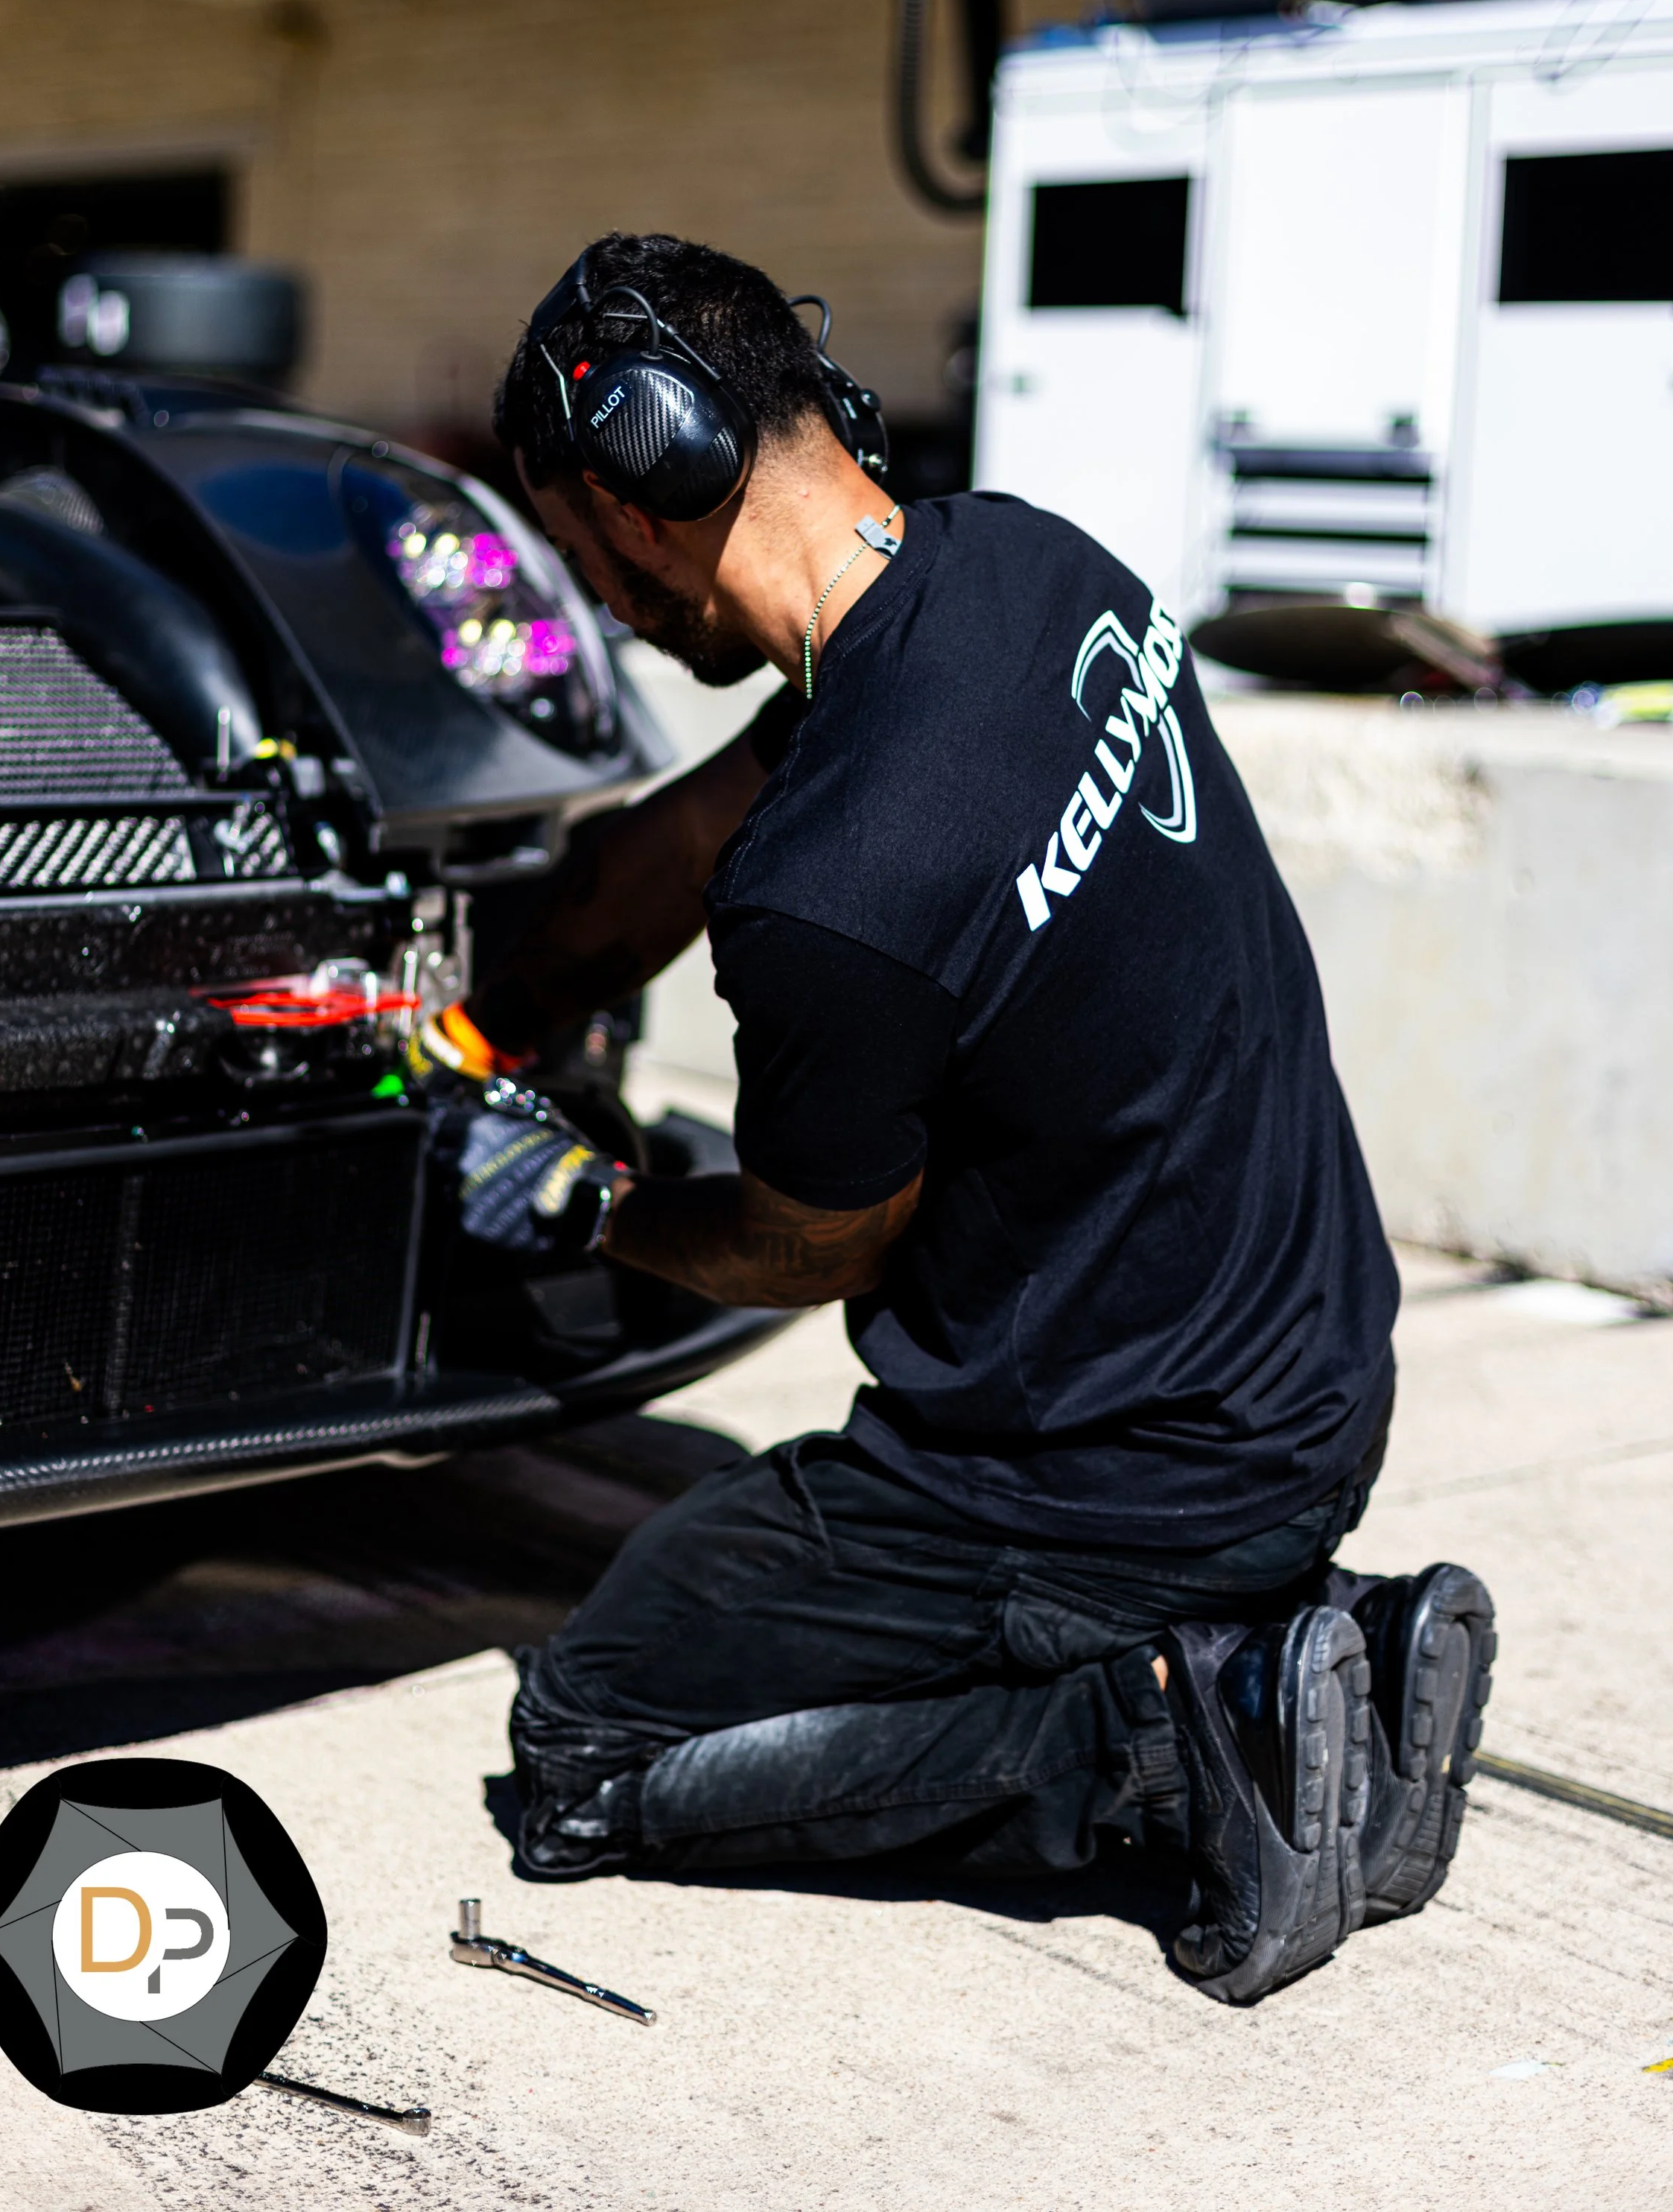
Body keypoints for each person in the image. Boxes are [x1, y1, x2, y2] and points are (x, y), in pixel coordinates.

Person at [445, 229, 1496, 2006]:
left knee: (582, 1742)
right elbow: (674, 851)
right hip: (1308, 1388)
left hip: (1084, 1483)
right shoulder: (1023, 567)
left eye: (579, 552)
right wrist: (480, 1013)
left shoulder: (832, 891)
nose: (606, 605)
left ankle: (1175, 1739)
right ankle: (1346, 1659)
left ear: (640, 498)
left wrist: (584, 1198)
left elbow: (803, 1238)